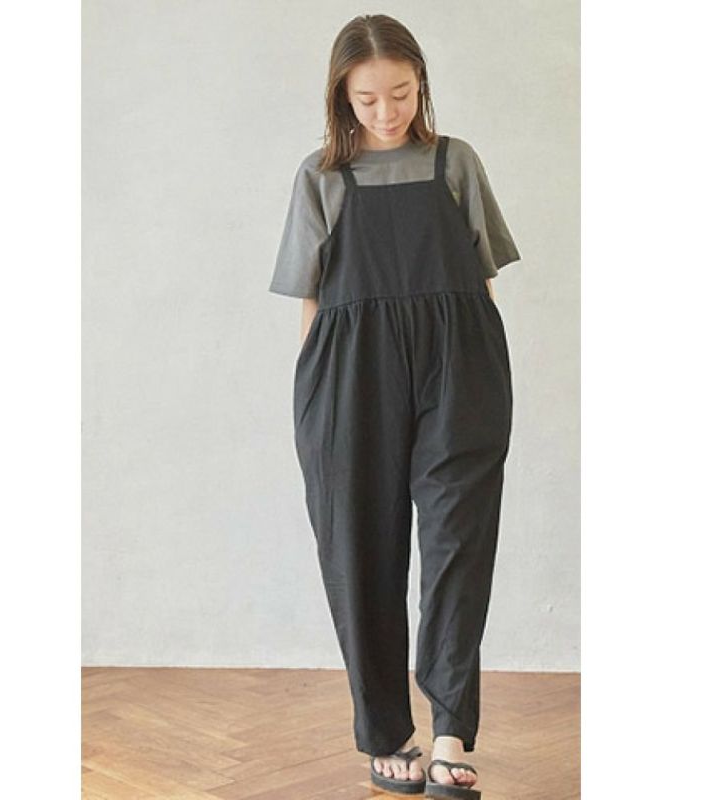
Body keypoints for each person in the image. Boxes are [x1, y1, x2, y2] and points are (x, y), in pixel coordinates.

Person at [268, 14, 520, 799]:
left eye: (402, 94)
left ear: (421, 85)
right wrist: (315, 403)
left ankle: (450, 732)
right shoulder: (320, 177)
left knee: (457, 542)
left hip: (460, 363)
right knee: (360, 546)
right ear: (342, 97)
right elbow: (311, 300)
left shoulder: (456, 163)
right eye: (368, 99)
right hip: (350, 372)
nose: (387, 112)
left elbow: (482, 281)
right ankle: (386, 732)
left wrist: (480, 367)